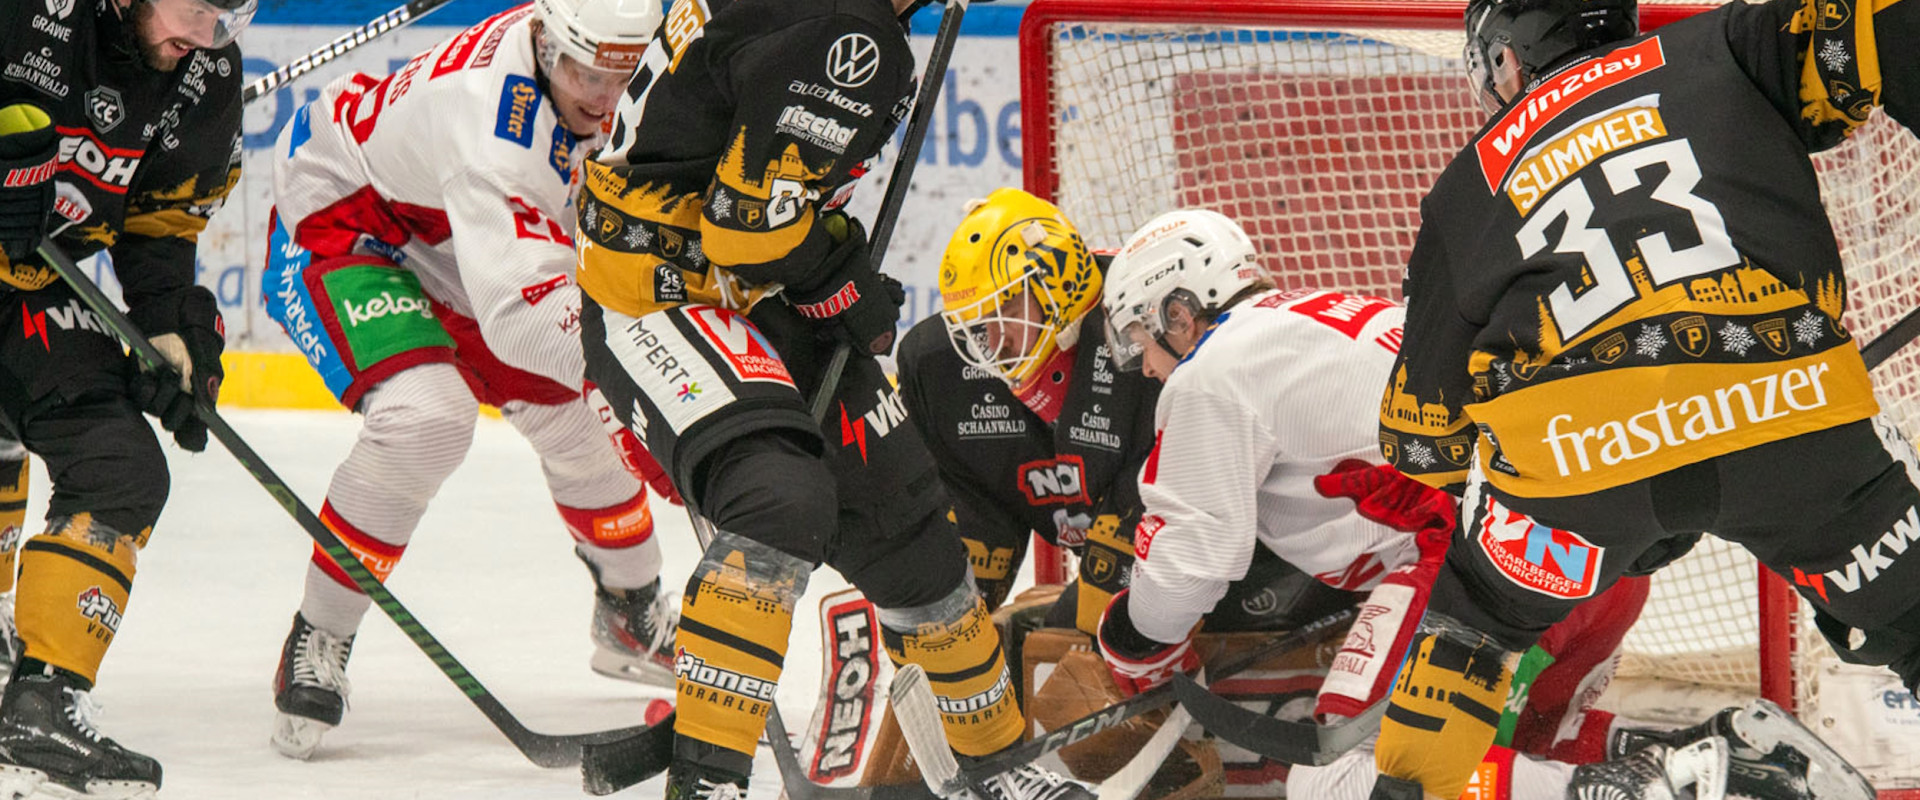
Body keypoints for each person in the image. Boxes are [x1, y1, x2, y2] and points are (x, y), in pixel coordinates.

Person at [1095, 209, 1850, 800]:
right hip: (1595, 564)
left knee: (1334, 781)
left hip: (1480, 574)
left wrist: (1132, 640)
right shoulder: (1317, 324)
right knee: (1520, 765)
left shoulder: (1212, 374)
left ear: (1181, 310)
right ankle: (1743, 762)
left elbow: (1193, 559)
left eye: (1141, 340)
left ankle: (1650, 790)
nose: (1148, 369)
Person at [1371, 0, 1920, 795]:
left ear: (1506, 60)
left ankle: (1410, 786)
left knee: (1473, 623)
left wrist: (1583, 502)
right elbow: (1875, 22)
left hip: (1571, 462)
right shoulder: (1724, 43)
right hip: (1786, 408)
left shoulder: (1467, 183)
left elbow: (1420, 440)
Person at [575, 2, 1093, 798]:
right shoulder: (852, 33)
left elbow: (746, 197)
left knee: (913, 535)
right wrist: (835, 275)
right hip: (663, 294)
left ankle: (996, 764)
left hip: (743, 285)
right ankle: (705, 783)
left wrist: (826, 265)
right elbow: (743, 228)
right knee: (779, 499)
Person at [262, 0, 681, 761]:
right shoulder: (494, 130)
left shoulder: (601, 34)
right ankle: (320, 631)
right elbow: (520, 316)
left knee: (581, 424)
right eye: (588, 74)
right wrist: (651, 382)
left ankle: (632, 611)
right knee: (429, 418)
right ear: (548, 46)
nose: (607, 98)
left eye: (624, 75)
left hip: (460, 238)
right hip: (350, 224)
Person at [0, 0, 251, 794]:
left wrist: (173, 329)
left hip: (32, 291)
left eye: (227, 15)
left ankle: (39, 704)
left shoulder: (202, 69)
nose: (205, 35)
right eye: (196, 8)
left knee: (121, 469)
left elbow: (159, 231)